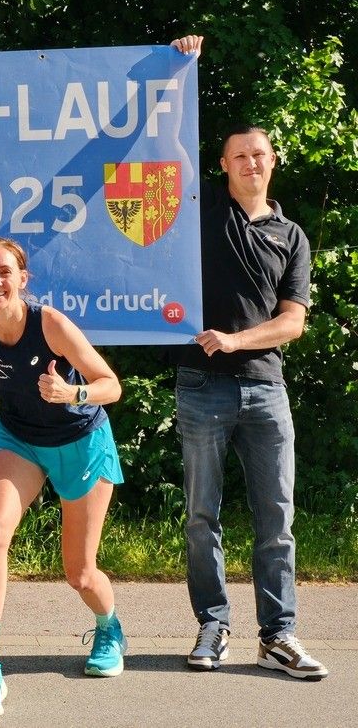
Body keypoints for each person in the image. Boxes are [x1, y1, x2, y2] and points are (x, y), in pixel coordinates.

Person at [170, 35, 326, 680]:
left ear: (273, 160)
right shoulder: (204, 214)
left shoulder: (292, 237)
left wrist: (236, 340)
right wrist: (181, 73)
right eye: (238, 155)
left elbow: (292, 323)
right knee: (201, 516)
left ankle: (279, 636)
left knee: (277, 520)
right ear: (224, 164)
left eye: (259, 154)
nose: (250, 163)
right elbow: (166, 156)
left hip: (266, 390)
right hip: (202, 386)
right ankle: (213, 626)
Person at [0, 237, 126, 718]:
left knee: (78, 571)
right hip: (19, 442)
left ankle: (109, 626)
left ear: (22, 278)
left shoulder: (49, 323)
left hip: (82, 442)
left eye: (5, 272)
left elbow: (110, 385)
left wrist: (70, 393)